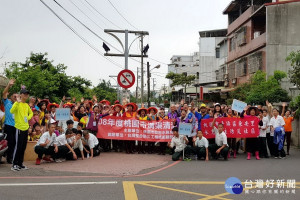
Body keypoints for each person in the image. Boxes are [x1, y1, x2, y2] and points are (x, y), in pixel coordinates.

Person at [10, 87, 33, 171]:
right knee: (18, 146)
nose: (26, 95)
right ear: (21, 95)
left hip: (25, 128)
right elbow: (11, 111)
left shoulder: (26, 105)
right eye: (25, 94)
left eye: (27, 94)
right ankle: (14, 164)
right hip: (19, 128)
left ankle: (20, 163)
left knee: (23, 147)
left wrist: (28, 117)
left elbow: (31, 113)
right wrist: (17, 102)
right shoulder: (17, 103)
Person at [2, 79, 17, 164]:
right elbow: (4, 94)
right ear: (11, 97)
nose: (15, 98)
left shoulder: (18, 105)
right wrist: (9, 85)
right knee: (9, 142)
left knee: (14, 142)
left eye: (17, 96)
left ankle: (11, 157)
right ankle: (8, 157)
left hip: (16, 126)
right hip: (8, 125)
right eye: (14, 96)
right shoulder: (7, 102)